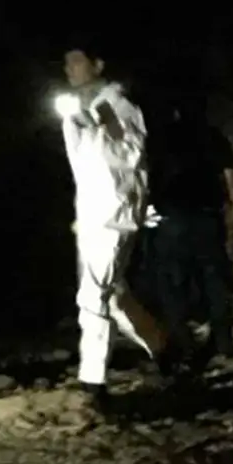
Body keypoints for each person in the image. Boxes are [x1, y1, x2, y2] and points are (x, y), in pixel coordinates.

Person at [58, 44, 159, 411]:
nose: (69, 69)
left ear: (98, 65)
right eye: (66, 63)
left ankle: (93, 383)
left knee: (92, 296)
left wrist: (98, 121)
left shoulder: (119, 106)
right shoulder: (76, 112)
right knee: (112, 295)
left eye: (77, 61)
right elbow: (83, 164)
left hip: (113, 213)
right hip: (92, 212)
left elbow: (129, 153)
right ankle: (165, 348)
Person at [146, 92, 233, 370]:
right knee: (215, 280)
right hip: (206, 217)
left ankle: (183, 344)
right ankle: (223, 342)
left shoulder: (160, 140)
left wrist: (146, 212)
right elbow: (231, 181)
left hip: (172, 219)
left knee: (174, 284)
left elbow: (145, 177)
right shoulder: (213, 137)